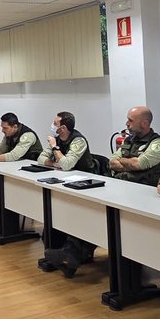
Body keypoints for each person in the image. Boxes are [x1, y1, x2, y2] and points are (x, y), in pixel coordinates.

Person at [38, 111, 101, 276]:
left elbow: (66, 165)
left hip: (87, 185)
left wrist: (54, 148)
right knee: (54, 216)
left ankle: (71, 254)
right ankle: (66, 256)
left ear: (63, 128)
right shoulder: (57, 138)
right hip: (66, 183)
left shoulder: (78, 140)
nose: (52, 126)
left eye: (55, 123)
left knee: (76, 217)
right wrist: (53, 162)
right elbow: (40, 158)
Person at [107, 106, 160, 186]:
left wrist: (121, 160)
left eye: (131, 121)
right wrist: (130, 165)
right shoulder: (128, 140)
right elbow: (112, 162)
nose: (127, 124)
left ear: (144, 123)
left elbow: (137, 164)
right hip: (122, 184)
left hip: (145, 188)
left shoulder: (157, 143)